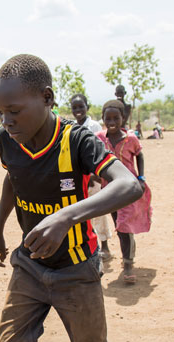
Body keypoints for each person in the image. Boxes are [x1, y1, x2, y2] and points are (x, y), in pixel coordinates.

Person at [0, 54, 147, 342]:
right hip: (28, 264)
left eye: (15, 111)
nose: (7, 120)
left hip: (76, 272)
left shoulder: (77, 141)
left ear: (47, 98)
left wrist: (65, 218)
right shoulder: (8, 140)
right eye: (0, 112)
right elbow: (11, 179)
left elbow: (129, 185)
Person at [97, 100, 152, 283]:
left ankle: (128, 264)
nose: (112, 121)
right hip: (109, 189)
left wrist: (141, 178)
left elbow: (140, 155)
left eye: (116, 118)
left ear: (122, 118)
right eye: (108, 118)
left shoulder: (131, 138)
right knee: (119, 224)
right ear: (103, 119)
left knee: (124, 226)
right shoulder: (99, 138)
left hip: (128, 189)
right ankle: (128, 254)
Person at [70, 93, 113, 259]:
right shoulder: (71, 127)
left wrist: (94, 174)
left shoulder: (94, 126)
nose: (78, 110)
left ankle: (105, 245)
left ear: (87, 107)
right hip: (79, 177)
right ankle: (89, 245)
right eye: (75, 108)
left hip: (93, 178)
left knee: (98, 211)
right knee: (81, 212)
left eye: (81, 107)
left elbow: (97, 152)